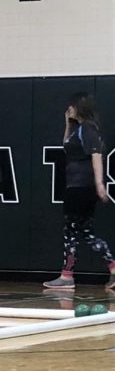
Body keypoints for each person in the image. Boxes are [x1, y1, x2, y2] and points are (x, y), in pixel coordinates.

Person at [43, 93, 115, 292]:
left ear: (80, 108)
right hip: (75, 187)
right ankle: (113, 267)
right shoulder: (78, 130)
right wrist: (67, 124)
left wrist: (99, 184)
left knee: (71, 232)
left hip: (81, 188)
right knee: (86, 234)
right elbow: (66, 147)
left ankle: (67, 276)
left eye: (72, 107)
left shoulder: (88, 129)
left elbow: (96, 155)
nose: (69, 110)